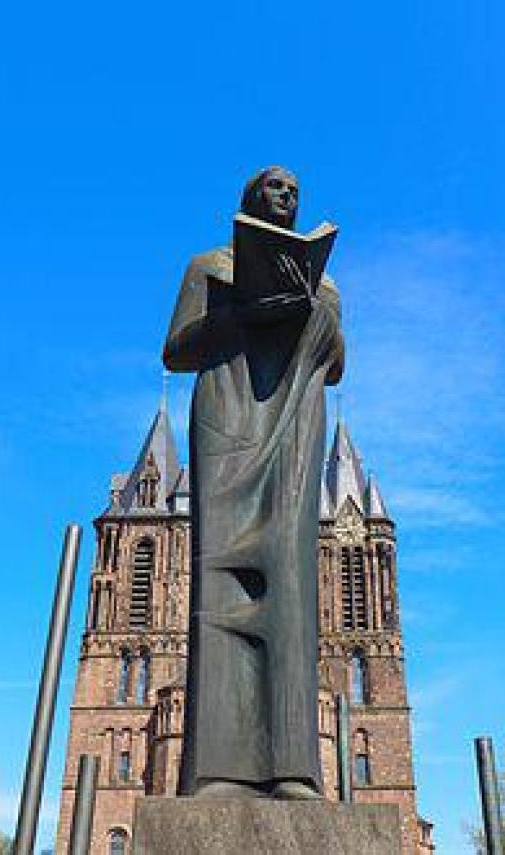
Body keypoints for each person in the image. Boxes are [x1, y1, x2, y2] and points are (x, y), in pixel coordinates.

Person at [163, 166, 344, 799]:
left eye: (294, 190)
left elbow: (338, 364)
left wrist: (309, 305)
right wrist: (243, 308)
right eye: (275, 187)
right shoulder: (208, 264)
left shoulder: (326, 285)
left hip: (293, 428)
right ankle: (218, 771)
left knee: (290, 586)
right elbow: (176, 349)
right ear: (249, 199)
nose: (286, 197)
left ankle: (293, 768)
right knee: (220, 581)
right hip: (227, 423)